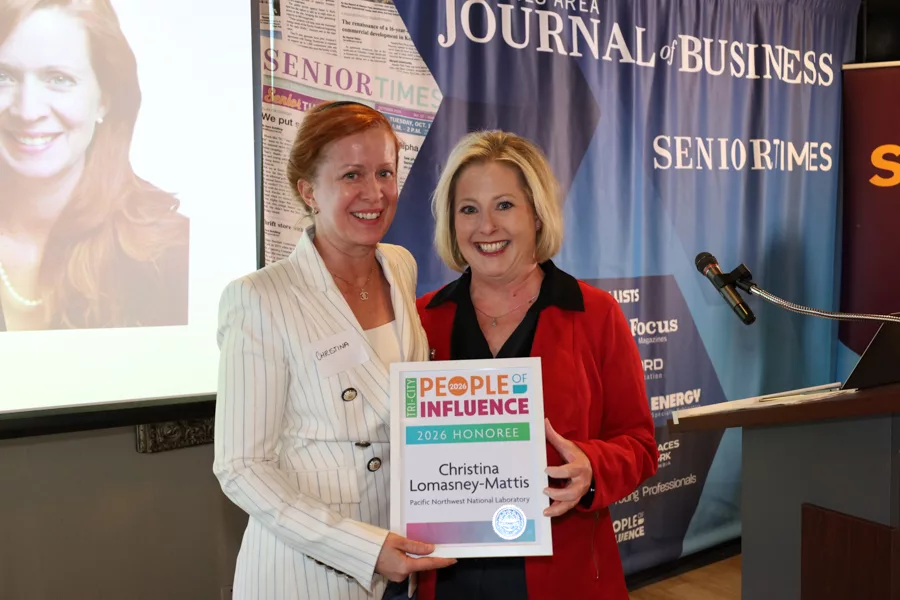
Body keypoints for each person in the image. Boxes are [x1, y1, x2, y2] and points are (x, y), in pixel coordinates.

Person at [213, 100, 456, 600]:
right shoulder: (260, 298)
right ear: (308, 191)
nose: (375, 193)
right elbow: (241, 468)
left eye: (384, 172)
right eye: (351, 174)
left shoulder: (401, 266)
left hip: (404, 557)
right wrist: (363, 548)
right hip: (307, 570)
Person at [415, 130, 659, 599]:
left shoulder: (595, 313)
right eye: (468, 209)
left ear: (536, 213)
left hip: (560, 573)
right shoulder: (422, 319)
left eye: (504, 205)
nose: (486, 226)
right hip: (446, 578)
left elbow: (640, 444)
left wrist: (591, 467)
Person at [0, 0, 189, 332]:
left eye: (59, 79)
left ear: (105, 97)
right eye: (4, 77)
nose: (27, 111)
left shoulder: (169, 251)